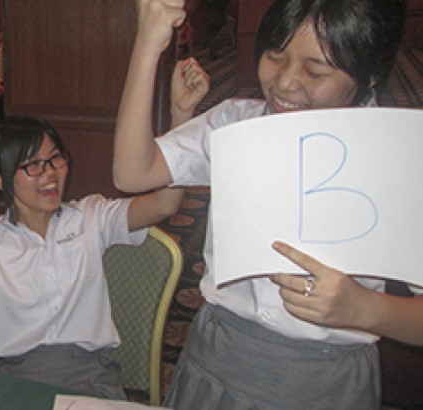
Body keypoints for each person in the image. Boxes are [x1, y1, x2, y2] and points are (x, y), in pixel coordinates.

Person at [113, 1, 421, 409]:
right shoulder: (236, 125)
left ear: (368, 74)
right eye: (275, 56)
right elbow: (132, 173)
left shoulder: (399, 156)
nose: (286, 82)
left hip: (324, 381)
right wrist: (148, 45)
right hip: (216, 355)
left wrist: (365, 308)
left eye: (316, 70)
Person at [0, 116, 185, 399]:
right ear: (1, 179)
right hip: (19, 378)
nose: (50, 173)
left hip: (90, 375)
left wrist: (180, 118)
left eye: (55, 159)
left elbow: (164, 204)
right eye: (32, 165)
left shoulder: (91, 217)